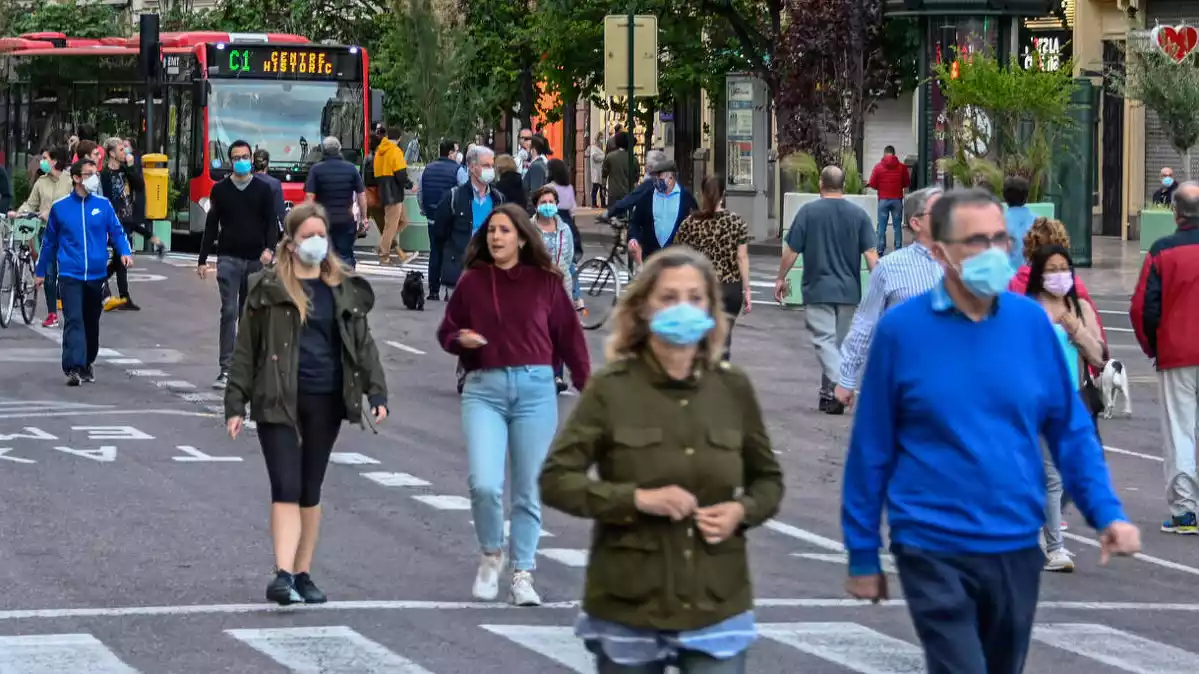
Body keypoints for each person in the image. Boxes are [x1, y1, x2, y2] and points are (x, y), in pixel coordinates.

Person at [842, 188, 1141, 674]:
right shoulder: (903, 331)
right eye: (974, 241)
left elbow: (1069, 430)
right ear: (939, 251)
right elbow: (870, 449)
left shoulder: (1031, 325)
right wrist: (861, 552)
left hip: (1014, 543)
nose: (991, 251)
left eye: (999, 239)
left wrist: (1106, 512)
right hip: (930, 541)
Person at [540, 246, 784, 674]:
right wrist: (637, 500)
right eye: (669, 298)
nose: (683, 308)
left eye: (695, 298)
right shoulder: (611, 389)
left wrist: (740, 511)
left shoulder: (732, 388)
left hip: (716, 600)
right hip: (630, 602)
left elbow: (768, 481)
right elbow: (557, 479)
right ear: (643, 308)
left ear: (711, 307)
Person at [224, 202, 389, 606]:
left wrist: (376, 391)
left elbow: (362, 345)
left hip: (327, 397)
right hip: (276, 397)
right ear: (291, 243)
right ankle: (282, 575)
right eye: (307, 235)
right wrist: (235, 403)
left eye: (321, 235)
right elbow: (246, 348)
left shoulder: (342, 288)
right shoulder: (268, 289)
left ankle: (302, 573)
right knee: (286, 484)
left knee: (310, 489)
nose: (316, 242)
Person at [436, 203, 590, 607]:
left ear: (522, 237)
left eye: (505, 231)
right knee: (484, 484)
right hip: (484, 389)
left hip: (535, 390)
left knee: (527, 488)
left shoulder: (547, 283)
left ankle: (522, 572)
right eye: (492, 231)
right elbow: (446, 332)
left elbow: (570, 338)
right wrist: (460, 341)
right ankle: (492, 553)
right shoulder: (472, 282)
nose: (497, 237)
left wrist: (587, 384)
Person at [1025, 244, 1106, 572]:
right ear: (1039, 274)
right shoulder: (1029, 309)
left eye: (1064, 269)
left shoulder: (1079, 306)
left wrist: (1075, 328)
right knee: (1053, 474)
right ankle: (1055, 547)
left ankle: (1037, 527)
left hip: (1076, 402)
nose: (1059, 276)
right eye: (1052, 269)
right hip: (1040, 403)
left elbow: (1099, 355)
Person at [773, 166, 879, 414]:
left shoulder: (808, 213)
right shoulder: (859, 215)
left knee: (824, 341)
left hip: (818, 288)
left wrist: (780, 279)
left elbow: (791, 251)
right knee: (837, 346)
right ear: (842, 185)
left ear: (821, 184)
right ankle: (828, 395)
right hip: (848, 291)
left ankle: (843, 387)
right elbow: (871, 256)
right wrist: (881, 289)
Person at [834, 187, 944, 408]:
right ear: (916, 223)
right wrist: (846, 379)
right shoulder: (890, 267)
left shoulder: (969, 264)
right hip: (904, 383)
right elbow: (865, 323)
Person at [1131, 180, 1199, 535]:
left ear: (1176, 214)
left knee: (1180, 432)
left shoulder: (1161, 251)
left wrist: (1153, 346)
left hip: (1177, 353)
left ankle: (1185, 511)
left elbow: (1143, 307)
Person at [34, 159, 132, 386]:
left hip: (96, 276)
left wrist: (124, 251)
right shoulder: (60, 208)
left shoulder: (103, 205)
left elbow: (116, 232)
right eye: (88, 174)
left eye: (94, 173)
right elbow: (49, 243)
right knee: (74, 320)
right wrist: (41, 272)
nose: (93, 178)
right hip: (70, 274)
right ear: (76, 178)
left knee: (91, 322)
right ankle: (73, 367)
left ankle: (87, 361)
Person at [197, 140, 280, 390]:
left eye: (245, 156)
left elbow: (271, 223)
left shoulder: (263, 190)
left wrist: (269, 250)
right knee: (229, 311)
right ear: (230, 161)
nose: (241, 160)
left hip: (256, 259)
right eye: (236, 157)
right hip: (229, 258)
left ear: (252, 158)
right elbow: (212, 225)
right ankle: (226, 368)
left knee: (249, 313)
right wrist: (202, 259)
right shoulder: (221, 190)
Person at [674, 175, 751, 359]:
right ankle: (720, 370)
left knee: (700, 336)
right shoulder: (736, 222)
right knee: (724, 337)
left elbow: (679, 255)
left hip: (701, 287)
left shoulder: (690, 224)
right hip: (730, 287)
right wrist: (746, 289)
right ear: (723, 194)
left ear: (701, 194)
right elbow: (742, 257)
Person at [99, 137, 164, 312]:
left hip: (127, 218)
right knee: (120, 257)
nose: (124, 153)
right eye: (120, 150)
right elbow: (104, 198)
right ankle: (115, 293)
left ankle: (121, 295)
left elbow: (139, 185)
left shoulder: (125, 171)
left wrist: (128, 167)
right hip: (113, 221)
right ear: (112, 153)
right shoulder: (104, 174)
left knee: (119, 260)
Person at [11, 146, 73, 328]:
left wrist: (54, 213)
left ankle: (74, 310)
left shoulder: (70, 181)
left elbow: (76, 205)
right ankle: (52, 313)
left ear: (55, 161)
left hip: (68, 233)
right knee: (49, 271)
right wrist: (19, 213)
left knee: (69, 272)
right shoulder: (41, 182)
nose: (42, 162)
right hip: (47, 232)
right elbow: (31, 204)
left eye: (45, 158)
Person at [530, 185, 580, 392]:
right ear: (536, 206)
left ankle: (557, 375)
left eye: (551, 202)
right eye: (544, 203)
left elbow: (569, 261)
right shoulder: (529, 229)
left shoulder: (564, 229)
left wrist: (576, 294)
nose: (548, 206)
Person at [304, 137, 367, 268]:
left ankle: (327, 284)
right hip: (346, 220)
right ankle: (347, 283)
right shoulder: (351, 168)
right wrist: (364, 218)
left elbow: (309, 197)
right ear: (339, 150)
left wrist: (308, 219)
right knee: (345, 254)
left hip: (323, 221)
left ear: (323, 151)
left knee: (323, 254)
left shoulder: (316, 170)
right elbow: (361, 195)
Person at [626, 160, 698, 264]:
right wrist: (633, 239)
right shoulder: (647, 197)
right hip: (651, 257)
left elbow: (694, 226)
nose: (656, 182)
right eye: (655, 178)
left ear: (671, 179)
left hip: (677, 259)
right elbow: (635, 222)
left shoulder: (686, 199)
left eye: (660, 179)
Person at [420, 139, 465, 300]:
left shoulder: (428, 169)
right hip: (452, 220)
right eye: (456, 150)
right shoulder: (458, 170)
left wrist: (425, 211)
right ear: (451, 153)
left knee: (435, 252)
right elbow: (465, 193)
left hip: (432, 219)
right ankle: (448, 290)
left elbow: (421, 193)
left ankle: (433, 290)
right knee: (451, 254)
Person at [373, 126, 413, 266]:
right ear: (399, 138)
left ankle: (384, 244)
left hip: (383, 191)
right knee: (391, 225)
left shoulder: (379, 151)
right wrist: (410, 185)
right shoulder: (396, 151)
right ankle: (384, 254)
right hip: (394, 193)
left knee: (403, 220)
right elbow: (401, 174)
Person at [867, 145, 909, 254]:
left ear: (884, 154)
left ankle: (880, 249)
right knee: (897, 226)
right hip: (897, 200)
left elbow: (872, 183)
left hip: (883, 200)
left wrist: (881, 188)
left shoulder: (878, 167)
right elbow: (906, 183)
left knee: (881, 226)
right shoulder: (902, 167)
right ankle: (898, 248)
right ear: (894, 154)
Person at [1002, 175, 1036, 269]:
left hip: (1009, 278)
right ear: (1027, 196)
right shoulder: (1038, 221)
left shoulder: (999, 222)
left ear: (1004, 197)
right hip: (1032, 276)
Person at [253, 148, 287, 233]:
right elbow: (280, 210)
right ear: (267, 164)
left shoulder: (245, 181)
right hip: (268, 228)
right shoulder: (275, 183)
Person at [601, 132, 638, 205]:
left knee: (613, 213)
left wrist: (603, 187)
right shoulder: (633, 159)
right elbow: (636, 178)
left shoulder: (610, 157)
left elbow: (604, 174)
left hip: (613, 193)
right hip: (627, 193)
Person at [522, 134, 550, 203]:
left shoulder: (536, 166)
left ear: (533, 149)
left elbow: (535, 193)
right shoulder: (541, 163)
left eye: (526, 148)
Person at [588, 133, 606, 208]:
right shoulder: (594, 147)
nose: (602, 140)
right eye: (601, 138)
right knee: (595, 188)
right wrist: (603, 157)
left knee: (602, 187)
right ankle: (593, 203)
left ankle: (603, 203)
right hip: (596, 170)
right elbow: (594, 157)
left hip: (600, 170)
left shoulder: (600, 147)